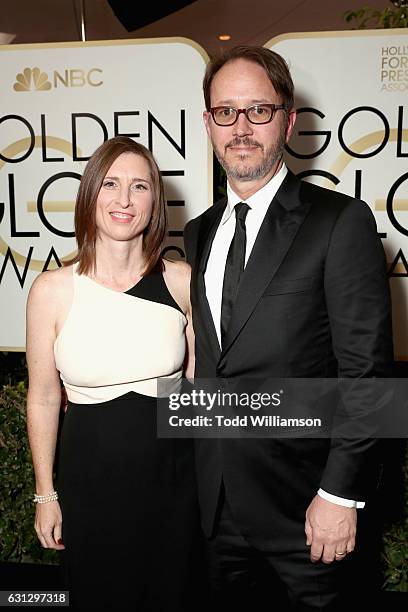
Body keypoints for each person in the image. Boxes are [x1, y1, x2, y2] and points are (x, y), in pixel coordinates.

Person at [183, 46, 393, 610]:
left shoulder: (339, 222)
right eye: (225, 112)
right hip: (217, 509)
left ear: (289, 119)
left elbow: (367, 375)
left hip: (308, 512)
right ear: (207, 123)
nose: (241, 128)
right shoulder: (198, 233)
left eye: (259, 110)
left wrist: (339, 494)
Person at [26, 136, 203, 611]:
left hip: (173, 486)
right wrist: (46, 494)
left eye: (140, 186)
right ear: (90, 195)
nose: (124, 199)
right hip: (91, 486)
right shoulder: (53, 290)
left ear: (155, 202)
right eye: (111, 184)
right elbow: (43, 398)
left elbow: (195, 389)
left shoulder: (181, 281)